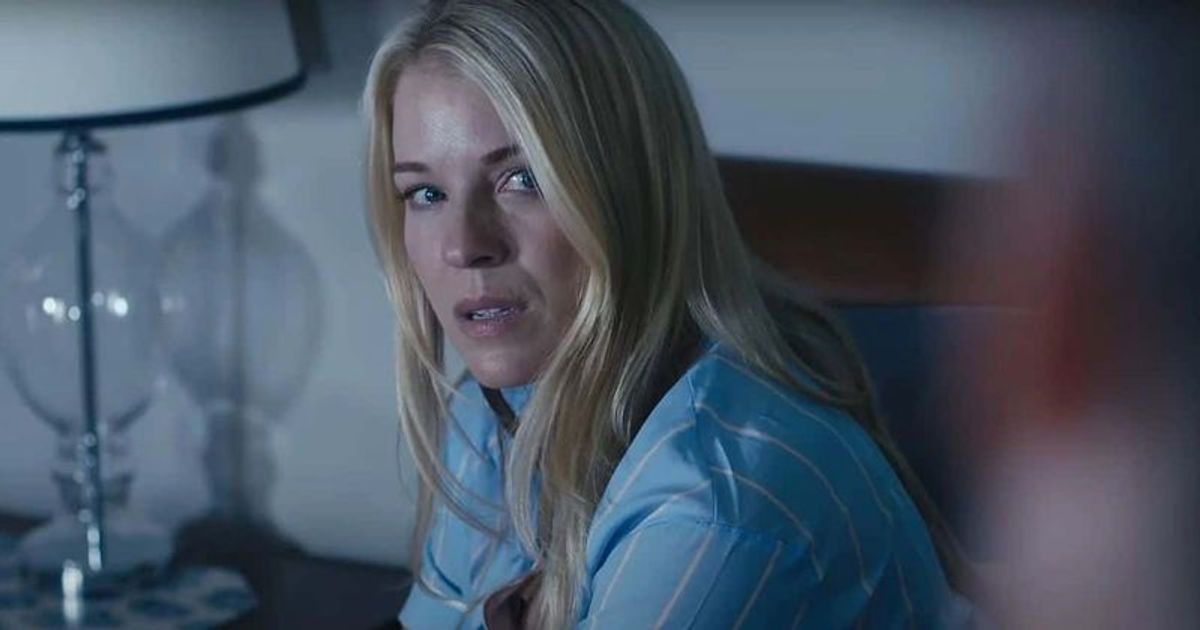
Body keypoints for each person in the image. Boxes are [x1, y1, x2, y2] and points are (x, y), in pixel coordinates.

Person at [362, 1, 969, 627]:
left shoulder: (715, 505)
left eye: (524, 180)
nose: (463, 246)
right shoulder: (491, 412)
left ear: (633, 191)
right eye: (426, 193)